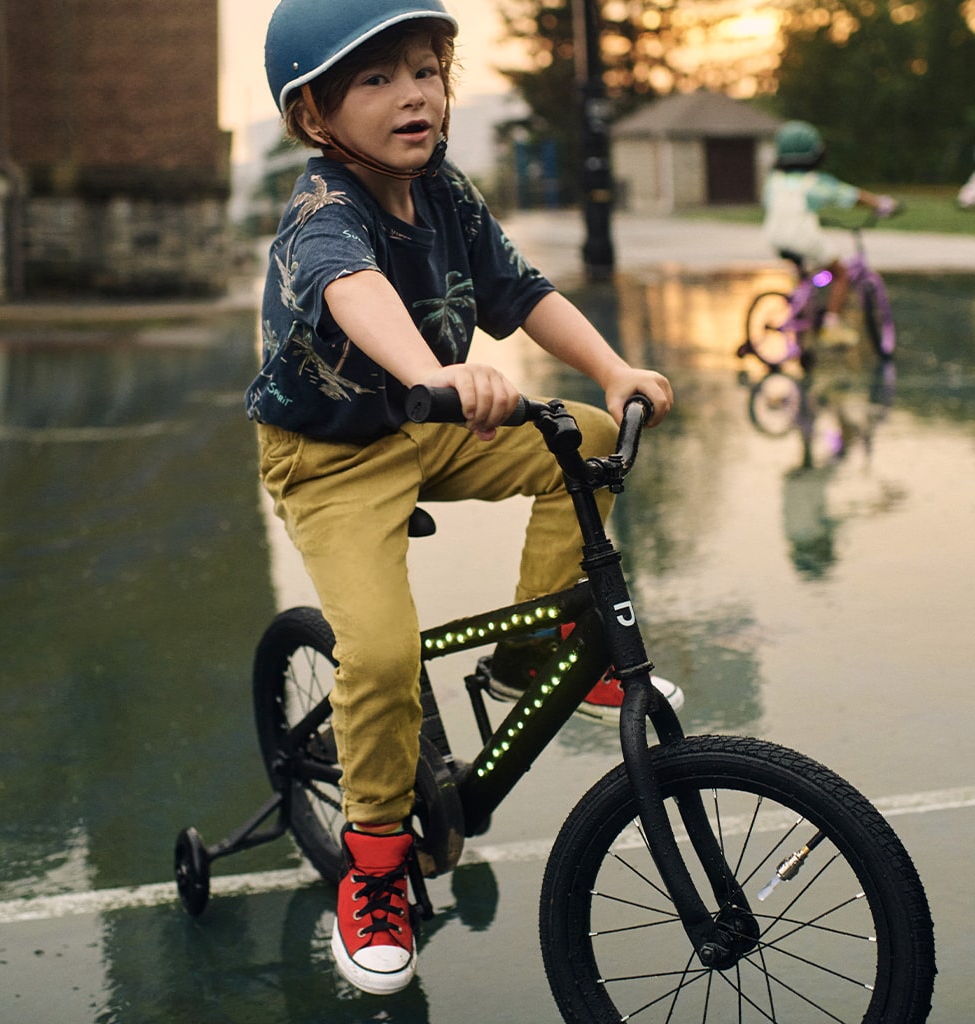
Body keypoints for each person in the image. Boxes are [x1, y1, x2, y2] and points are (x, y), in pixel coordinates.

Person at [250, 0, 675, 997]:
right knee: (384, 654)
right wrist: (432, 371)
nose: (414, 95)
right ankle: (375, 866)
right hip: (330, 458)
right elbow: (354, 290)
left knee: (592, 437)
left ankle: (525, 661)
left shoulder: (442, 190)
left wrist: (614, 368)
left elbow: (520, 292)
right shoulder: (322, 209)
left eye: (426, 70)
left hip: (422, 424)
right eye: (376, 79)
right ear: (315, 114)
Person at [763, 120, 897, 347]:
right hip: (802, 236)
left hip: (775, 236)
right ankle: (831, 325)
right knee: (841, 273)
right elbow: (848, 195)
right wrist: (880, 204)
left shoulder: (773, 181)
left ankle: (800, 325)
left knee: (807, 278)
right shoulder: (813, 182)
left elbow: (771, 204)